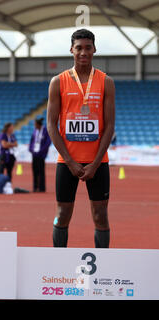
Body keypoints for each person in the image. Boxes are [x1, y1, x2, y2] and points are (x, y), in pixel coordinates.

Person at [46, 29, 115, 248]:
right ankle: (58, 261)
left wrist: (95, 163)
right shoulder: (58, 81)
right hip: (67, 162)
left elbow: (110, 125)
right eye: (79, 48)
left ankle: (102, 263)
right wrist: (70, 161)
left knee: (100, 215)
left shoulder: (106, 82)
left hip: (98, 162)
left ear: (94, 49)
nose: (83, 52)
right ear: (71, 50)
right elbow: (51, 124)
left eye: (88, 48)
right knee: (62, 213)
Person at [28, 116, 51, 192]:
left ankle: (42, 188)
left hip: (41, 155)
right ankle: (35, 187)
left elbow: (48, 142)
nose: (34, 126)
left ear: (39, 124)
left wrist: (42, 151)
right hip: (34, 154)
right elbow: (32, 140)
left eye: (35, 124)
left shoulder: (45, 131)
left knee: (41, 172)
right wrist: (31, 149)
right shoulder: (35, 131)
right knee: (34, 171)